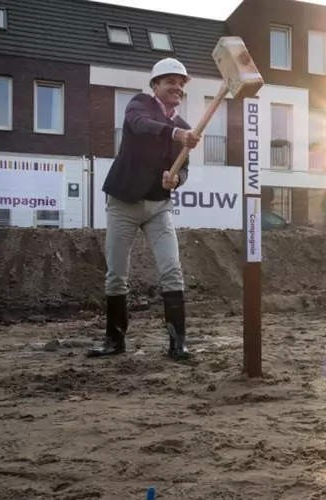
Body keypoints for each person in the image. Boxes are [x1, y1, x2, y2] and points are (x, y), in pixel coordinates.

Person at [87, 58, 200, 360]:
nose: (177, 87)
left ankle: (178, 344)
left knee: (172, 271)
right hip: (123, 202)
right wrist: (175, 135)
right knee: (116, 275)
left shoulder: (185, 128)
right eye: (170, 81)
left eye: (181, 82)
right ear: (155, 86)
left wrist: (176, 180)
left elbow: (184, 168)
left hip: (158, 207)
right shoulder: (139, 106)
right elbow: (141, 127)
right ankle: (115, 341)